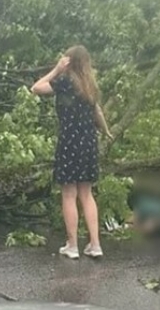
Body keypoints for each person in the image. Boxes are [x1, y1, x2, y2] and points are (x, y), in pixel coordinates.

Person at [31, 45, 112, 260]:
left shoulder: (65, 82)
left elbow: (36, 88)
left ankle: (73, 245)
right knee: (87, 193)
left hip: (69, 141)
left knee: (69, 194)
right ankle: (95, 245)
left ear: (70, 61)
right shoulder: (90, 85)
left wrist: (56, 70)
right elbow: (97, 111)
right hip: (88, 141)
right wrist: (106, 131)